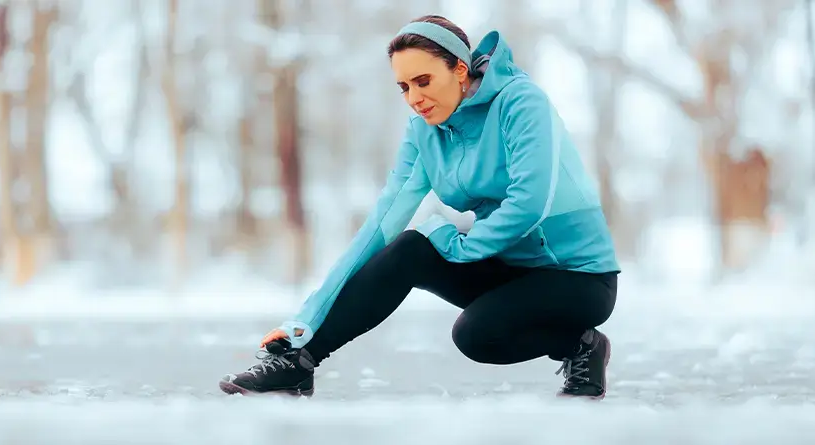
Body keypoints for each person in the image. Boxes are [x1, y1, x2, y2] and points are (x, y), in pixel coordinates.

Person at [218, 15, 620, 400]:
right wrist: (304, 323)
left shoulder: (521, 102)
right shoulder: (424, 132)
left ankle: (582, 344)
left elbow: (530, 202)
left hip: (578, 277)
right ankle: (299, 362)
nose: (414, 99)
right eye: (404, 87)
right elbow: (382, 225)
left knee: (477, 335)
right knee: (411, 246)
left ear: (460, 69)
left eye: (423, 81)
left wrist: (464, 247)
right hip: (510, 270)